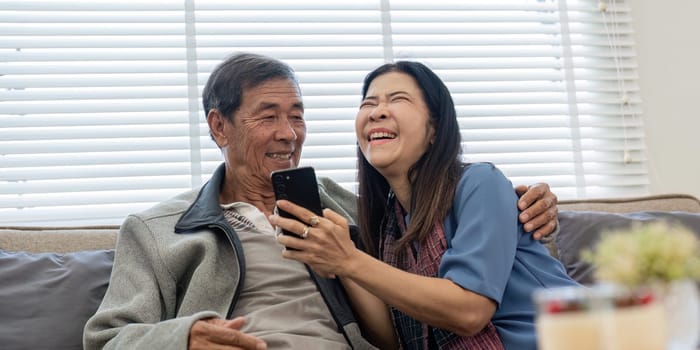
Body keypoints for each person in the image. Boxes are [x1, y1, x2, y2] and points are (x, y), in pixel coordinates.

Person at [83, 53, 559, 350]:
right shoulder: (159, 230)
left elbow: (455, 244)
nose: (288, 134)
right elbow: (106, 338)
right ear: (218, 127)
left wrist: (528, 211)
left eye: (297, 116)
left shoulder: (360, 213)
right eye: (267, 117)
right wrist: (181, 338)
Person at [271, 60, 579, 350]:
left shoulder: (480, 182)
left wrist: (350, 260)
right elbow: (394, 339)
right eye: (369, 103)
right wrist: (336, 263)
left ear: (434, 128)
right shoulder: (389, 223)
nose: (377, 112)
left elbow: (470, 311)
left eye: (398, 99)